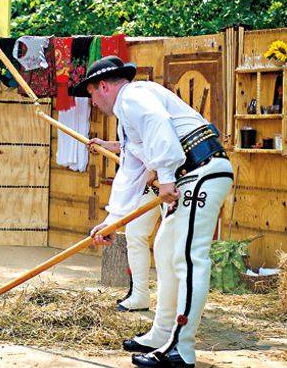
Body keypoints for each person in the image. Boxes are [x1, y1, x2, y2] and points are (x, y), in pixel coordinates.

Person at [75, 56, 233, 368]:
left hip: (202, 172)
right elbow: (131, 173)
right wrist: (111, 222)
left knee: (188, 258)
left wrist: (166, 179)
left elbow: (161, 126)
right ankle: (161, 333)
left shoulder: (134, 96)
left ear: (103, 86)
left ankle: (180, 349)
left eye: (91, 93)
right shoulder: (127, 117)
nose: (92, 101)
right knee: (163, 250)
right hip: (191, 176)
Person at [87, 137, 161, 312]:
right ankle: (139, 295)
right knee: (135, 233)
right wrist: (109, 146)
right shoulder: (127, 112)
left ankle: (183, 304)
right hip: (152, 182)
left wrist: (155, 168)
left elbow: (164, 137)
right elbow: (136, 143)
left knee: (174, 244)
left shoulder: (153, 111)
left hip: (179, 178)